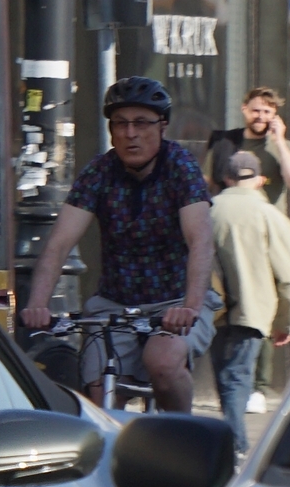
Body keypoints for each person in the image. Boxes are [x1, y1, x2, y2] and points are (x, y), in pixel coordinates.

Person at [19, 76, 220, 414]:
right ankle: (111, 462)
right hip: (114, 304)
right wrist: (38, 303)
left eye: (141, 123)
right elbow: (58, 245)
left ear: (162, 126)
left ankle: (184, 441)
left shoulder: (180, 167)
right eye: (120, 124)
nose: (130, 133)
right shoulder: (98, 172)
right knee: (98, 395)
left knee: (163, 362)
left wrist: (189, 306)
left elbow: (200, 241)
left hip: (174, 302)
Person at [208, 151, 290, 457]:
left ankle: (229, 443)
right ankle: (235, 447)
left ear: (225, 178)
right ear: (260, 179)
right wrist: (286, 323)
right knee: (238, 378)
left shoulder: (206, 211)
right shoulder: (270, 216)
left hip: (209, 310)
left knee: (225, 379)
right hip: (252, 311)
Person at [206, 86, 290, 205]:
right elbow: (207, 182)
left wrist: (280, 142)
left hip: (266, 220)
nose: (260, 117)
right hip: (231, 216)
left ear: (274, 114)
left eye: (267, 112)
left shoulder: (287, 148)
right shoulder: (224, 142)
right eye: (255, 111)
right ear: (244, 108)